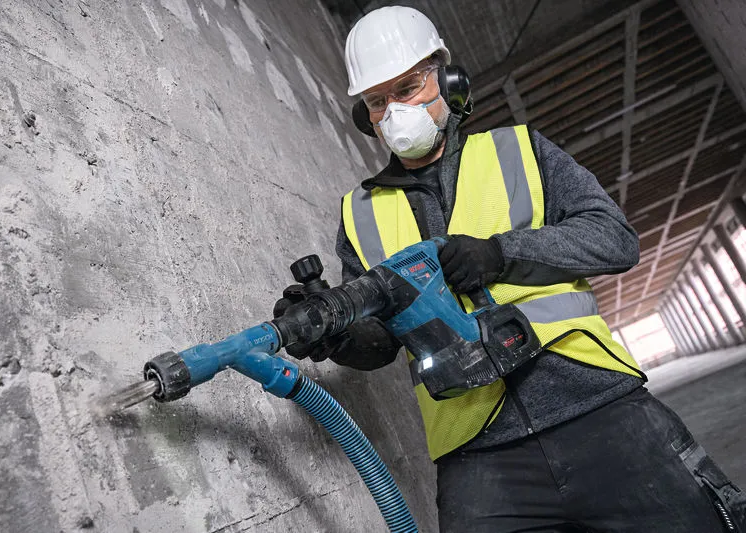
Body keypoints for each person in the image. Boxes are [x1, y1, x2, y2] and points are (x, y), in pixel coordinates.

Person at [274, 6, 745, 532]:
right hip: (478, 454)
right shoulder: (359, 214)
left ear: (448, 80)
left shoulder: (521, 151)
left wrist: (499, 253)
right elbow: (383, 342)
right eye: (377, 101)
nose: (393, 112)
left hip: (598, 407)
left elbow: (615, 240)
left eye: (406, 88)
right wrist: (333, 335)